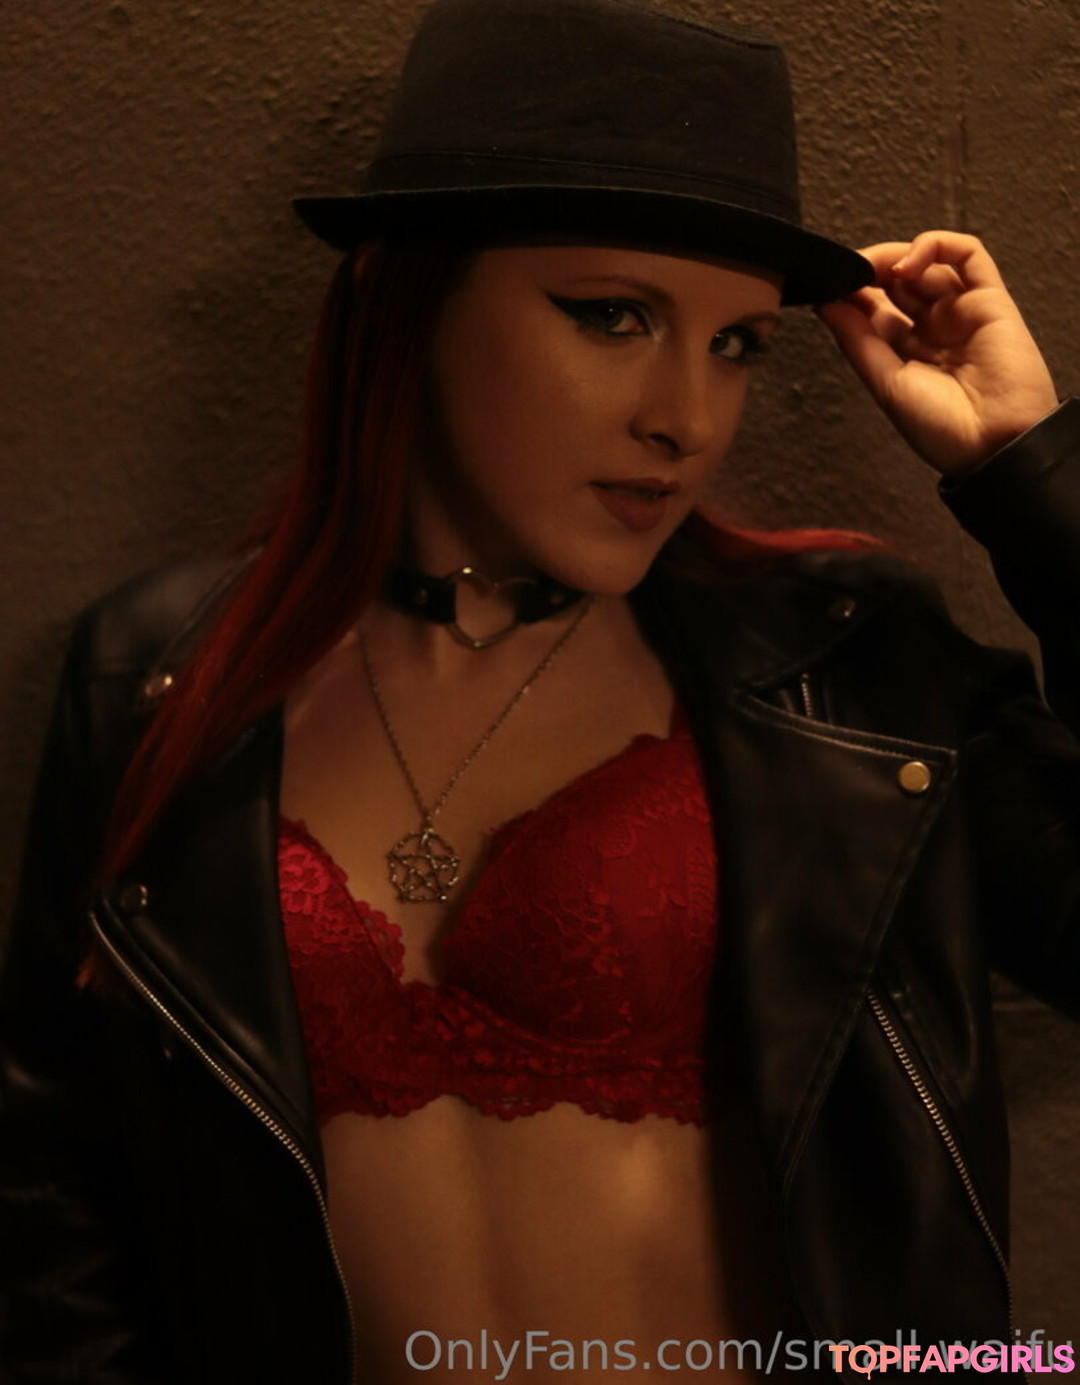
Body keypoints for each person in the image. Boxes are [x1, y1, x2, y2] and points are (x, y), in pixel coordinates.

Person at [1, 0, 1077, 1381]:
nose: (686, 416)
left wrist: (1032, 475)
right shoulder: (152, 678)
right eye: (613, 315)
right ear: (410, 302)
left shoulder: (844, 671)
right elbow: (55, 1200)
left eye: (738, 344)